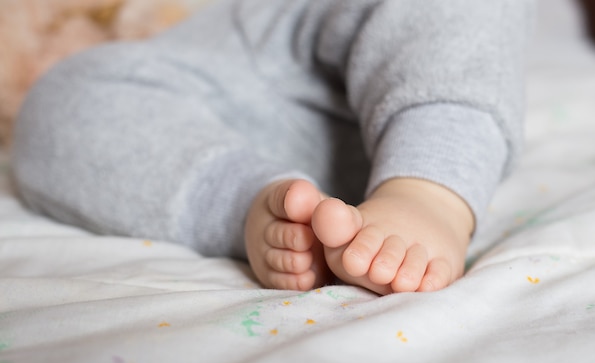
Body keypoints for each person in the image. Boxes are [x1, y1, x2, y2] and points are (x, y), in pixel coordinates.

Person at [12, 0, 534, 295]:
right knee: (59, 98)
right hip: (213, 93)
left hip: (390, 68)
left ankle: (430, 189)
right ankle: (257, 207)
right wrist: (245, 200)